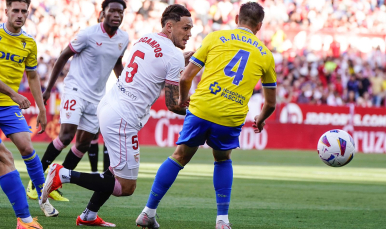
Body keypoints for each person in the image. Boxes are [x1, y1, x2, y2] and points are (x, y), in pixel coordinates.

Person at [41, 4, 193, 227]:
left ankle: (89, 215)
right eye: (186, 28)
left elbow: (157, 65)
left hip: (110, 104)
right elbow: (173, 104)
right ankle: (63, 174)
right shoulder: (174, 56)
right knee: (126, 187)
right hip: (123, 117)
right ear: (170, 26)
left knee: (113, 171)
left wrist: (182, 62)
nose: (189, 33)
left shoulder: (146, 38)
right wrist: (198, 111)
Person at [137, 2, 277, 229]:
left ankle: (147, 212)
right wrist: (260, 120)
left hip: (201, 109)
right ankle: (222, 221)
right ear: (259, 26)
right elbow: (271, 103)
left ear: (236, 19)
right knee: (222, 159)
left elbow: (185, 78)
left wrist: (184, 99)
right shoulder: (266, 55)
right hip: (230, 116)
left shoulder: (215, 38)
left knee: (179, 156)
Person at [26, 0, 130, 201]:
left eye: (121, 12)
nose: (117, 14)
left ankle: (55, 181)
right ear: (103, 13)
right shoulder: (88, 34)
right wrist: (48, 89)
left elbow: (117, 63)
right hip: (75, 90)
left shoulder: (123, 38)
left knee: (82, 144)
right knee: (66, 136)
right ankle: (34, 182)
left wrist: (125, 87)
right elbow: (63, 57)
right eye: (113, 10)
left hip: (97, 97)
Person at [0, 0, 59, 227]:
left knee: (27, 147)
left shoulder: (29, 43)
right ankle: (23, 219)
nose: (20, 15)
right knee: (4, 158)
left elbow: (33, 77)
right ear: (6, 11)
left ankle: (42, 198)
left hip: (8, 106)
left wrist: (42, 109)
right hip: (11, 99)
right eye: (15, 10)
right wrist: (14, 94)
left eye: (24, 11)